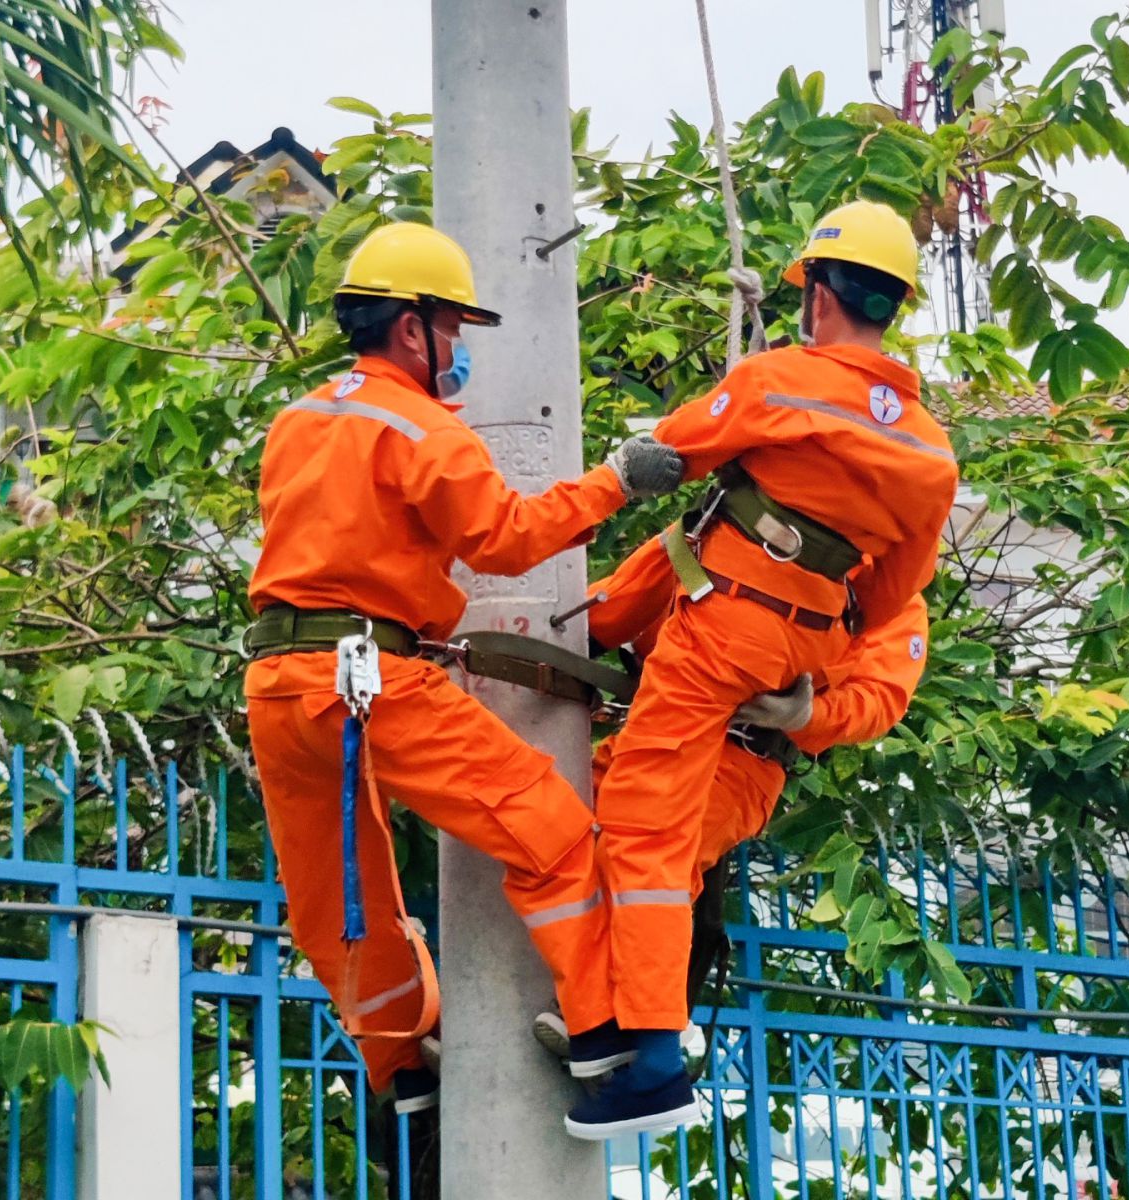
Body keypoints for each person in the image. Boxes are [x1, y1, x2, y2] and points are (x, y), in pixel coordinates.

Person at [243, 222, 684, 1119]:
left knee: (340, 894)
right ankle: (604, 1045)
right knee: (550, 829)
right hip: (367, 681)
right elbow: (506, 539)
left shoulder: (299, 421)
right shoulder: (421, 426)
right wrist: (617, 482)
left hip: (278, 683)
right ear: (414, 329)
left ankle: (401, 1066)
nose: (460, 351)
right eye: (456, 329)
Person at [565, 200, 958, 1139]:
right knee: (622, 833)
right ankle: (617, 1021)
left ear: (820, 295)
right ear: (892, 304)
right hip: (794, 637)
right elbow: (893, 589)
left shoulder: (778, 382)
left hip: (732, 654)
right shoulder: (930, 450)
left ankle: (653, 1054)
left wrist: (622, 469)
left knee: (642, 836)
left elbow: (677, 447)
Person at [533, 535, 931, 1065]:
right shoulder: (739, 524)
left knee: (647, 860)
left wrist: (805, 717)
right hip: (660, 728)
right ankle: (607, 1012)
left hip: (741, 760)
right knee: (549, 832)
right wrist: (557, 638)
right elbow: (629, 595)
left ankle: (641, 1022)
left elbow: (880, 697)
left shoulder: (888, 592)